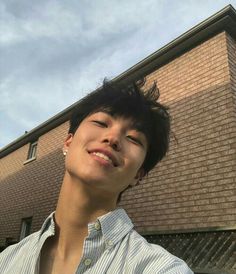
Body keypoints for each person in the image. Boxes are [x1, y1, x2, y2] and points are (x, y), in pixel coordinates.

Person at [0, 80, 193, 273]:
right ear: (68, 142)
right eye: (101, 123)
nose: (113, 138)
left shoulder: (162, 268)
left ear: (139, 175)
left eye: (134, 138)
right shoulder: (6, 261)